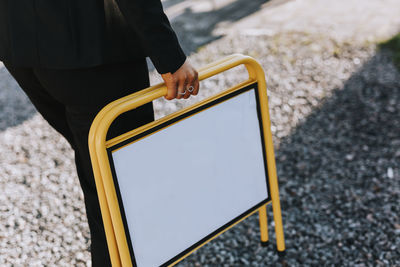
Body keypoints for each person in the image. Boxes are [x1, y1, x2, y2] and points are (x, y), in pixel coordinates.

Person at [0, 0, 199, 265]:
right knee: (122, 184)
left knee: (100, 171)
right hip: (91, 45)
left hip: (19, 41)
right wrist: (170, 56)